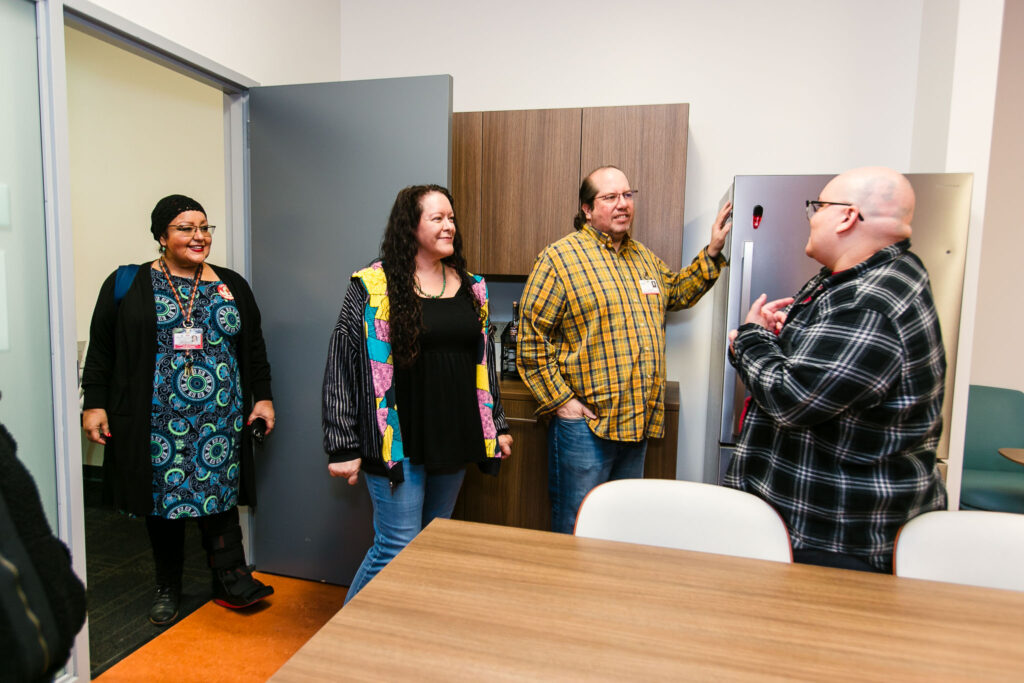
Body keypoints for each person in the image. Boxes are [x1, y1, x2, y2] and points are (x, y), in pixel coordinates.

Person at [724, 166, 947, 573]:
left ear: (847, 216)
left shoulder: (870, 302)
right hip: (823, 526)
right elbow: (818, 372)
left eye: (818, 207)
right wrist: (784, 339)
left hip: (836, 538)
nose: (811, 217)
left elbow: (793, 398)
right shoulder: (855, 278)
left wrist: (750, 338)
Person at [81, 194, 276, 626]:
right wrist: (94, 403)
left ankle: (230, 579)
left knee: (219, 500)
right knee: (163, 504)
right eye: (185, 228)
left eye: (204, 227)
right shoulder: (128, 283)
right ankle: (167, 587)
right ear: (161, 236)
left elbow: (253, 347)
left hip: (220, 420)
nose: (199, 236)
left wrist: (261, 396)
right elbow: (103, 349)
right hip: (157, 421)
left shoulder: (231, 284)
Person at [322, 184, 513, 604]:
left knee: (432, 543)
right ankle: (345, 639)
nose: (449, 226)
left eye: (451, 218)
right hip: (398, 437)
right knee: (397, 546)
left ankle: (400, 636)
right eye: (437, 218)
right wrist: (341, 444)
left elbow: (485, 363)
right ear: (411, 227)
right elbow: (341, 365)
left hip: (455, 433)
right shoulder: (372, 285)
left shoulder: (472, 287)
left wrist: (495, 425)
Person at [517, 165, 733, 533]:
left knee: (619, 528)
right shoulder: (559, 259)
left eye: (628, 195)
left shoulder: (644, 259)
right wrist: (560, 401)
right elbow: (530, 338)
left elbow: (677, 292)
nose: (623, 204)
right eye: (610, 197)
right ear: (587, 208)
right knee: (577, 526)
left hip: (636, 423)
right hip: (586, 427)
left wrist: (712, 251)